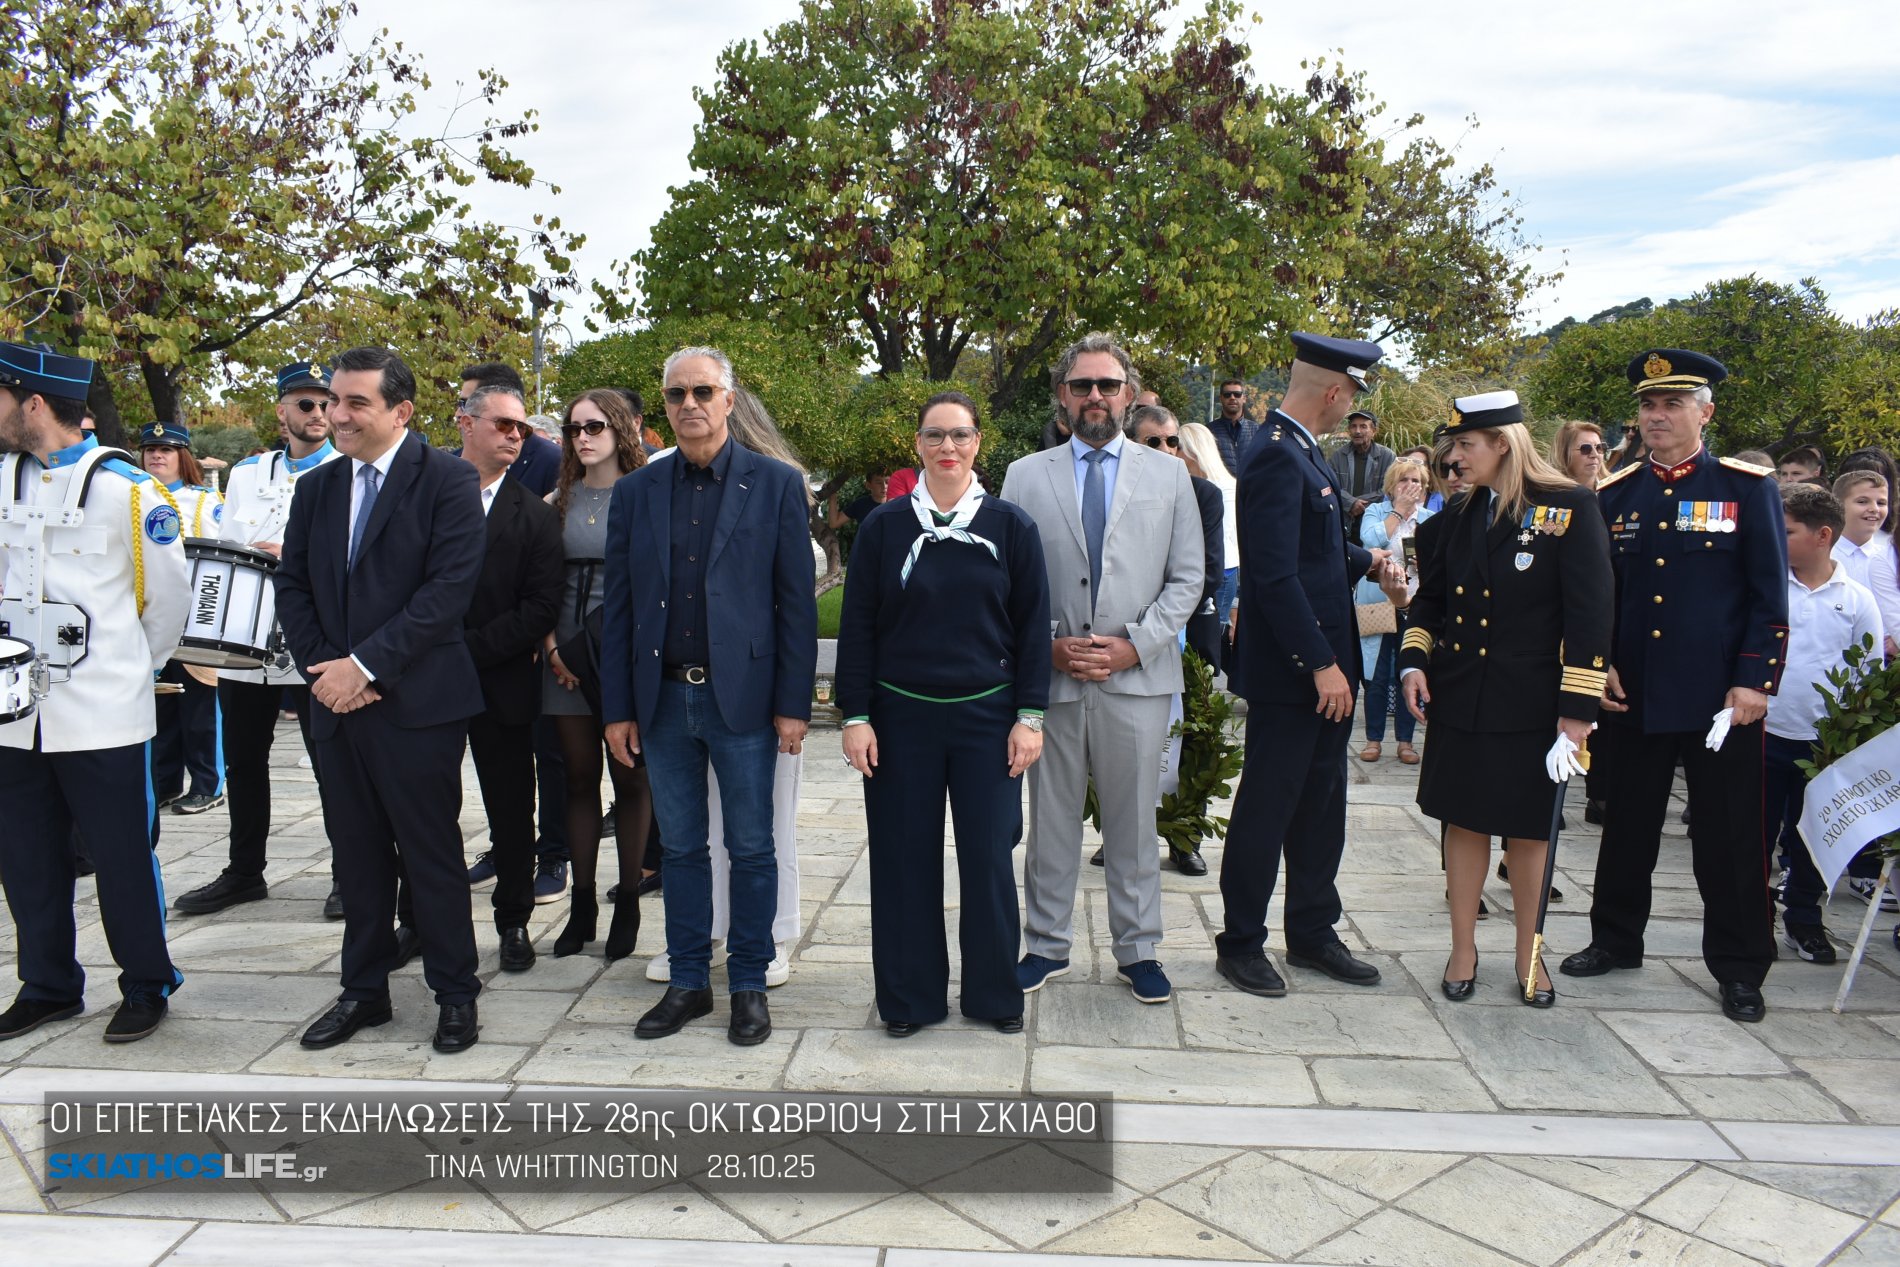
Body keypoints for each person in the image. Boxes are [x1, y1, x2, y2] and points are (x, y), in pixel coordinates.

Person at [1561, 349, 1787, 1024]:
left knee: (1729, 839)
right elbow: (1598, 598)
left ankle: (1742, 966)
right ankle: (1615, 938)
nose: (1657, 416)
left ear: (1705, 412)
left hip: (1720, 701)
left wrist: (1754, 681)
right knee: (1626, 825)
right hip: (1637, 695)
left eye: (1673, 404)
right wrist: (1596, 666)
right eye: (1649, 404)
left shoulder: (1746, 488)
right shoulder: (1615, 494)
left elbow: (1768, 597)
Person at [601, 346, 818, 1047]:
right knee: (683, 851)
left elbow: (795, 607)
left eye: (702, 390)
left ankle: (749, 983)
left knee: (753, 848)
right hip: (661, 702)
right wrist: (617, 708)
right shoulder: (636, 492)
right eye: (675, 393)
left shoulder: (778, 485)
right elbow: (619, 607)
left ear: (729, 399)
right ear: (661, 406)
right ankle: (689, 981)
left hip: (748, 704)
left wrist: (794, 703)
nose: (688, 403)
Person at [276, 347, 487, 1054]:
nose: (336, 414)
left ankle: (456, 992)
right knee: (357, 856)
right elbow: (294, 586)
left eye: (354, 402)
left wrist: (365, 666)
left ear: (401, 411)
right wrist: (325, 673)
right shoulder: (316, 489)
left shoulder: (449, 480)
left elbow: (446, 593)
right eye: (333, 400)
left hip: (416, 703)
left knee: (430, 854)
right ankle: (364, 990)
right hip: (334, 704)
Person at [839, 390, 1050, 1036]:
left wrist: (1030, 716)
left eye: (960, 435)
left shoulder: (1012, 527)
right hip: (901, 721)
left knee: (988, 860)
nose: (948, 448)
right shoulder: (883, 526)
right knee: (904, 861)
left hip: (990, 721)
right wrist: (855, 715)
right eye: (935, 436)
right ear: (918, 446)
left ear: (978, 443)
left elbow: (1033, 627)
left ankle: (994, 994)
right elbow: (859, 626)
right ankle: (908, 998)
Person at [1000, 332, 1202, 1005]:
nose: (1095, 396)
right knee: (1051, 818)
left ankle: (1138, 947)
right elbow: (1008, 580)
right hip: (1053, 677)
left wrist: (1132, 644)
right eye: (1082, 385)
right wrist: (1046, 645)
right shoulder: (1025, 475)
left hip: (1137, 677)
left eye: (1108, 385)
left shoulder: (1170, 476)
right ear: (1063, 394)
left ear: (1128, 393)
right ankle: (1045, 943)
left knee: (1132, 822)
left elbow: (1188, 579)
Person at [0, 341, 189, 1043]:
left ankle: (146, 980)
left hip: (102, 710)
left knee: (121, 854)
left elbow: (167, 601)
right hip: (16, 712)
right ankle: (48, 983)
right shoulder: (3, 480)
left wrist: (125, 671)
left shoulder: (130, 491)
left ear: (35, 403)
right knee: (25, 854)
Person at [1397, 391, 1612, 1007]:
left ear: (1503, 444)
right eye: (1453, 446)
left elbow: (1592, 615)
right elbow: (1430, 601)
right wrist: (1413, 661)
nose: (1454, 457)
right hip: (1461, 694)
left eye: (1465, 445)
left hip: (1534, 703)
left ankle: (1530, 953)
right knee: (1462, 822)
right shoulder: (1456, 517)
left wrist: (1577, 713)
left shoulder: (1569, 507)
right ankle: (1462, 947)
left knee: (1529, 832)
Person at [1218, 332, 1388, 998]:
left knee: (1321, 805)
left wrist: (1367, 559)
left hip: (1325, 668)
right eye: (1350, 396)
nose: (1348, 409)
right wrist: (1320, 662)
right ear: (1335, 391)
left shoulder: (1303, 453)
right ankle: (1241, 940)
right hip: (1297, 673)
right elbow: (1274, 574)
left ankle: (1314, 931)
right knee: (1270, 805)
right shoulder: (1274, 457)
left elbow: (1314, 551)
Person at [173, 362, 345, 918]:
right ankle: (245, 871)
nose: (318, 414)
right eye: (306, 404)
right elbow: (228, 547)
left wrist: (288, 552)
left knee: (331, 762)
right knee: (244, 759)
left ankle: (351, 872)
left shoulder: (346, 469)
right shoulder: (249, 473)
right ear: (282, 411)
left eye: (325, 404)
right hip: (246, 634)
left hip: (312, 634)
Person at [450, 381, 563, 974]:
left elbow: (540, 607)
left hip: (501, 683)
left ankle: (514, 919)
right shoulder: (422, 498)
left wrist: (463, 650)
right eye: (503, 425)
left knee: (513, 809)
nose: (516, 436)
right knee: (424, 808)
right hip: (424, 685)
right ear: (465, 423)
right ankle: (420, 917)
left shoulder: (535, 515)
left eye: (521, 428)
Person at [542, 388, 652, 961]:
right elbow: (537, 584)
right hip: (561, 661)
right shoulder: (555, 499)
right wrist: (553, 647)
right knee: (578, 780)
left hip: (624, 657)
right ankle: (581, 902)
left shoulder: (646, 496)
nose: (583, 437)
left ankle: (629, 899)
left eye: (595, 426)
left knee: (631, 779)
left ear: (621, 431)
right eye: (574, 428)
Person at [1765, 484, 1882, 964]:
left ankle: (1804, 920)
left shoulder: (1856, 599)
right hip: (1764, 733)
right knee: (1752, 832)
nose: (1776, 538)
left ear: (1822, 535)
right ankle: (1751, 919)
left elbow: (1870, 672)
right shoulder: (1768, 588)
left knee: (1809, 837)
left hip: (1822, 745)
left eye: (1786, 530)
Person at [1127, 404, 1218, 876]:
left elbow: (1207, 571)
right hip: (1128, 643)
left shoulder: (1203, 494)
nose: (1165, 450)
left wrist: (1163, 618)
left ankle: (1185, 838)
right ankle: (1124, 832)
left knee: (1190, 742)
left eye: (1171, 441)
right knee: (1128, 745)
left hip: (1186, 641)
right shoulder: (1116, 492)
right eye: (1152, 442)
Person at [139, 422, 226, 816]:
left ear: (183, 457)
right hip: (152, 619)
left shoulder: (205, 501)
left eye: (167, 450)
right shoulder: (134, 497)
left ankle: (208, 783)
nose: (157, 456)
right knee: (161, 710)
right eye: (151, 450)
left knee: (200, 712)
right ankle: (166, 783)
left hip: (197, 619)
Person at [1356, 458, 1433, 765]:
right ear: (1391, 486)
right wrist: (1398, 511)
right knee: (1375, 672)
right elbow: (1370, 542)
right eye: (1404, 481)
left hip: (1415, 605)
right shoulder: (1376, 511)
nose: (1410, 487)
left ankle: (1405, 741)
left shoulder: (1429, 518)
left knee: (1410, 670)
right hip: (1376, 601)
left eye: (1416, 482)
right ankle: (1373, 739)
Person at [1178, 420, 1239, 669]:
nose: (1172, 452)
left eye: (1177, 445)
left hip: (1215, 573)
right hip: (1226, 572)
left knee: (1204, 650)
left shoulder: (1214, 490)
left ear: (1193, 450)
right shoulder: (1228, 484)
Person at [1830, 469, 1900, 659]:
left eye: (1881, 502)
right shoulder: (1826, 556)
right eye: (1862, 501)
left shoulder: (1890, 555)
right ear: (1838, 505)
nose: (1874, 508)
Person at [1327, 407, 1396, 530]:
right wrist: (1350, 503)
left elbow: (1390, 489)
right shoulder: (1338, 456)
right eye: (1353, 426)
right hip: (1343, 519)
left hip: (1375, 522)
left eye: (1363, 426)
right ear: (1349, 430)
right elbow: (1329, 484)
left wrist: (1357, 503)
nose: (1357, 431)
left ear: (1374, 431)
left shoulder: (1387, 456)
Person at [1208, 378, 1259, 478]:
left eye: (1237, 394)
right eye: (1227, 394)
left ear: (1244, 398)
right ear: (1221, 398)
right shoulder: (1208, 431)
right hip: (1221, 491)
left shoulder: (1257, 431)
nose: (1232, 397)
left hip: (1250, 491)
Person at [1551, 420, 1609, 489]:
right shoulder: (1548, 495)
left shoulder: (1616, 489)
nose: (1595, 454)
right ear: (1564, 453)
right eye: (1585, 448)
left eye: (1599, 447)